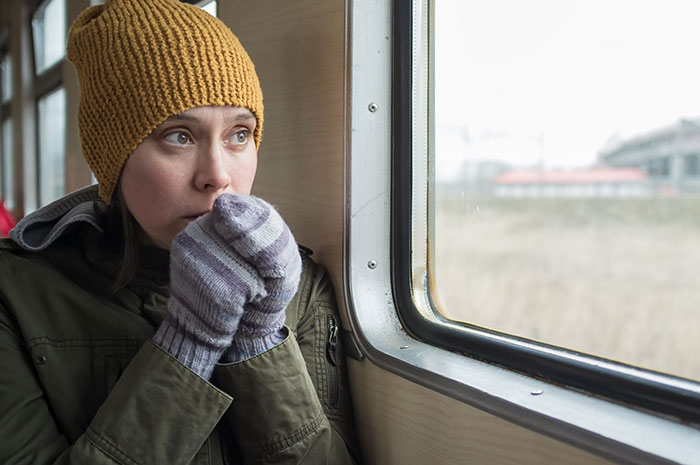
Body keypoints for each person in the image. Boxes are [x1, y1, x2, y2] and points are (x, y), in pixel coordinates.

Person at [0, 0, 360, 463]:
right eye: (179, 136)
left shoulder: (298, 287)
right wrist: (187, 346)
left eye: (239, 134)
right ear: (115, 158)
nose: (218, 175)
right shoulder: (15, 293)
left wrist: (258, 341)